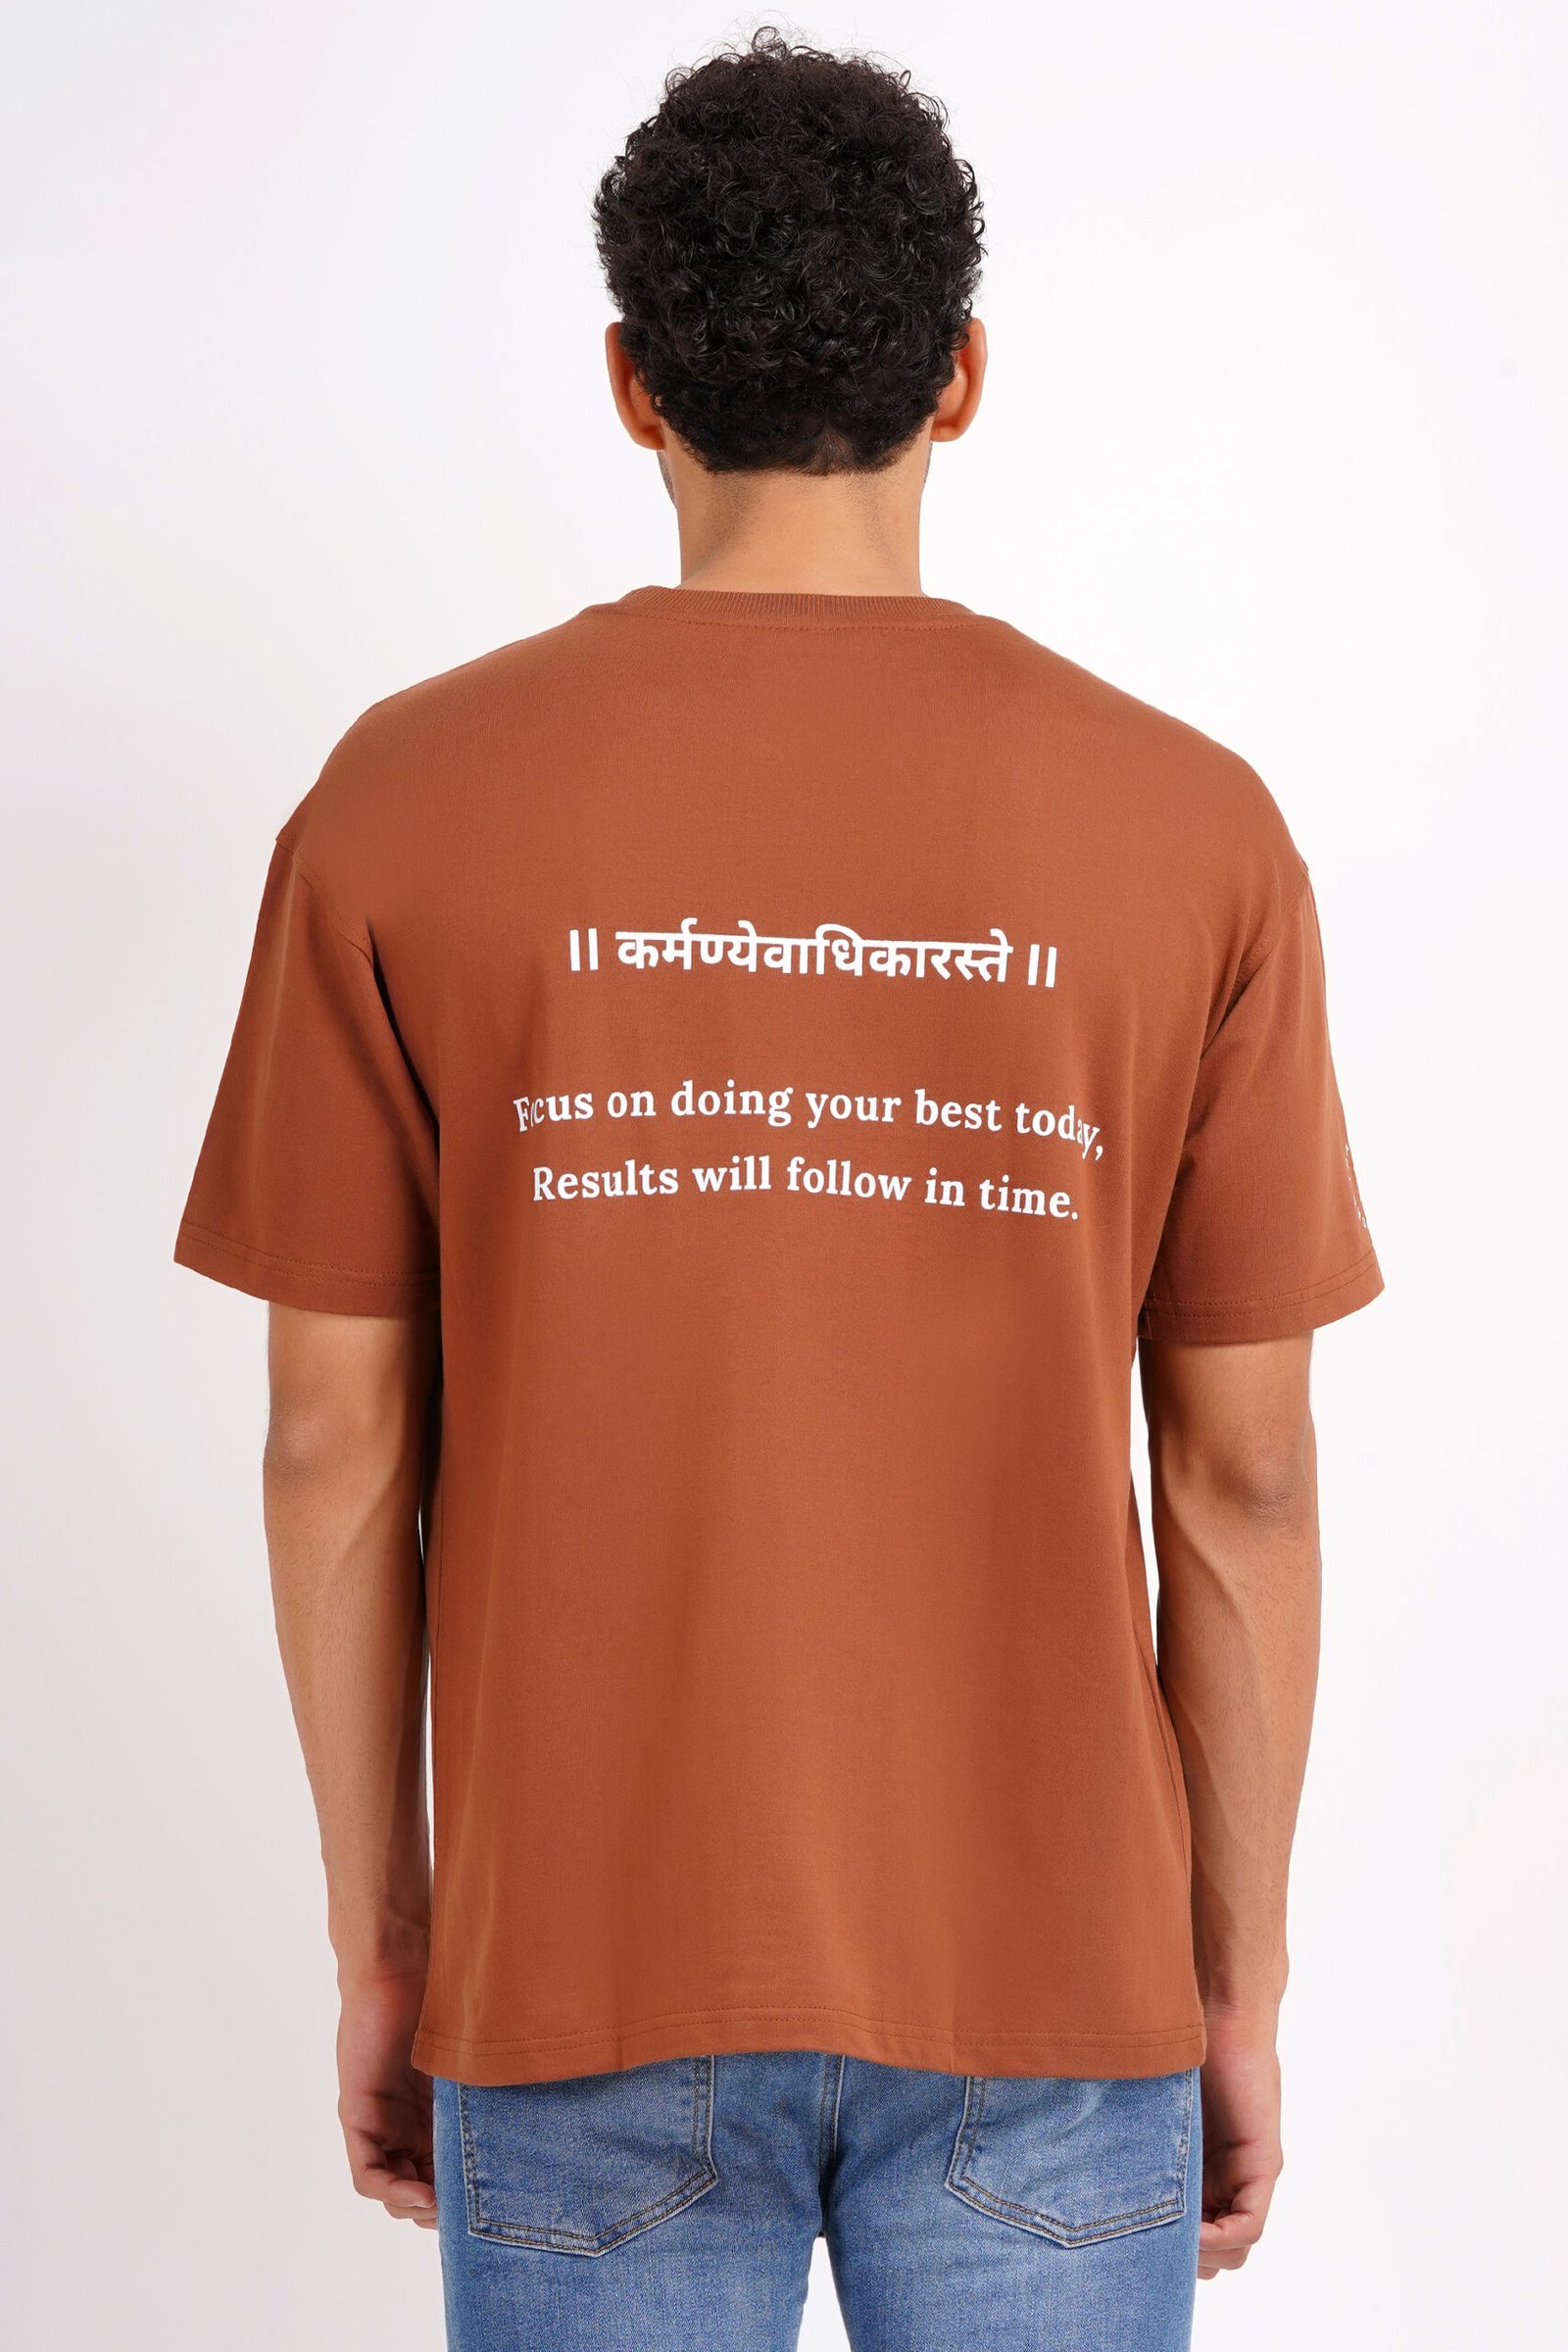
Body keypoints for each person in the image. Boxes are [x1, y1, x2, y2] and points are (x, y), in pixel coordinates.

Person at [173, 29, 1383, 2352]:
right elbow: (1240, 1475)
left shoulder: (398, 803)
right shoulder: (1191, 830)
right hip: (1058, 1991)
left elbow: (330, 1438)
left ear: (631, 382)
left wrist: (388, 1940)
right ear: (960, 377)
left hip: (576, 1966)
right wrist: (1232, 1979)